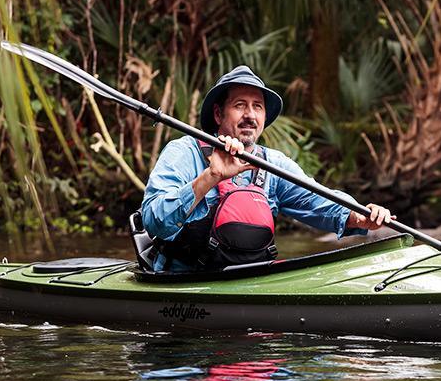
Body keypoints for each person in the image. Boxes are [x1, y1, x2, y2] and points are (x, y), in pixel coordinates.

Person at [141, 65, 393, 272]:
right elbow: (154, 220)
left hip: (253, 281)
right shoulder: (183, 152)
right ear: (218, 114)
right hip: (183, 286)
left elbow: (319, 199)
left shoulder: (273, 164)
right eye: (240, 105)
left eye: (257, 106)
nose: (250, 115)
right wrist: (211, 177)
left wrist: (358, 215)